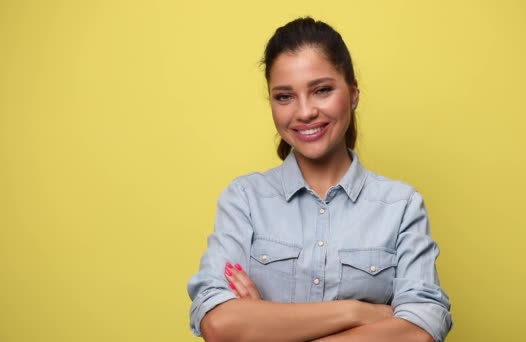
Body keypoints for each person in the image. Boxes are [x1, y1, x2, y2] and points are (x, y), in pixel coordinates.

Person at [187, 17, 452, 342]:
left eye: (322, 90)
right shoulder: (244, 199)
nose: (305, 111)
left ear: (353, 93)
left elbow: (421, 330)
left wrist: (265, 328)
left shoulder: (401, 206)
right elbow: (218, 324)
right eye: (284, 96)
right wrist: (357, 312)